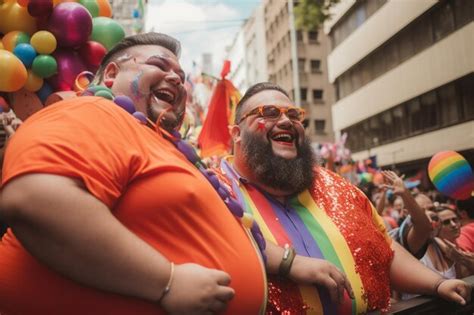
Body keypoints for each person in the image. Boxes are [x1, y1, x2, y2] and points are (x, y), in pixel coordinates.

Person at [0, 33, 267, 314]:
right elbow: (35, 200)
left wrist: (287, 262)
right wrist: (167, 281)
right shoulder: (93, 111)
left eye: (180, 74)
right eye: (160, 66)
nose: (177, 79)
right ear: (112, 74)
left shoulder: (158, 141)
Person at [220, 82, 471, 313]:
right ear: (236, 134)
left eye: (294, 114)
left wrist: (437, 284)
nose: (286, 120)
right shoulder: (214, 191)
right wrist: (289, 263)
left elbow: (384, 252)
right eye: (270, 112)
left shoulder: (337, 186)